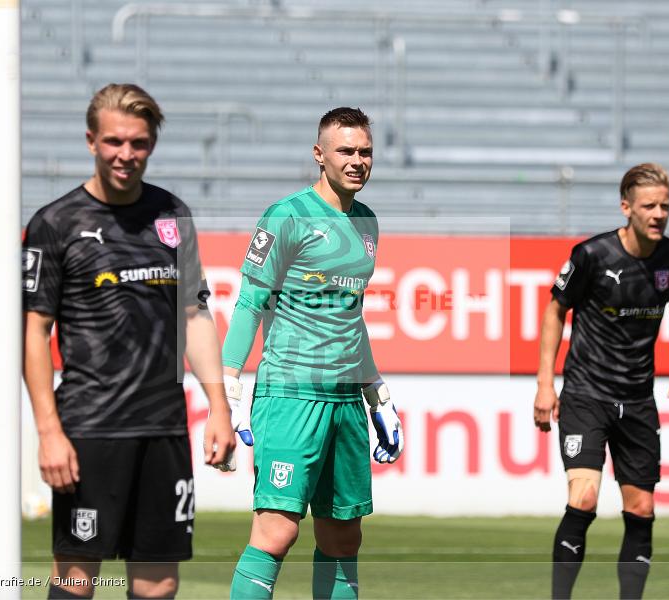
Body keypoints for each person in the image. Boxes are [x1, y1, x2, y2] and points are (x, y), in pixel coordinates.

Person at [22, 83, 235, 599]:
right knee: (76, 577)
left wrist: (220, 408)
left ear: (152, 144)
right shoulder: (56, 224)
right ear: (91, 140)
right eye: (114, 141)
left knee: (159, 582)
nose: (126, 154)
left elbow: (195, 313)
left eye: (138, 143)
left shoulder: (172, 215)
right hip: (89, 430)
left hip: (164, 428)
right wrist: (49, 431)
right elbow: (33, 333)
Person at [220, 107, 404, 599]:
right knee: (277, 530)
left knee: (344, 537)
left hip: (346, 402)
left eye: (365, 152)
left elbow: (352, 316)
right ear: (319, 155)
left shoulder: (367, 224)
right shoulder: (287, 216)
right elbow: (250, 301)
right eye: (346, 151)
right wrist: (230, 385)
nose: (357, 161)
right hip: (291, 395)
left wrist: (377, 393)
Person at [533, 163, 669, 599]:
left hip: (638, 400)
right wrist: (545, 384)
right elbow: (554, 311)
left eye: (665, 205)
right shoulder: (592, 256)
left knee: (642, 507)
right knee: (584, 497)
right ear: (627, 207)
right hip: (587, 395)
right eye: (649, 206)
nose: (659, 213)